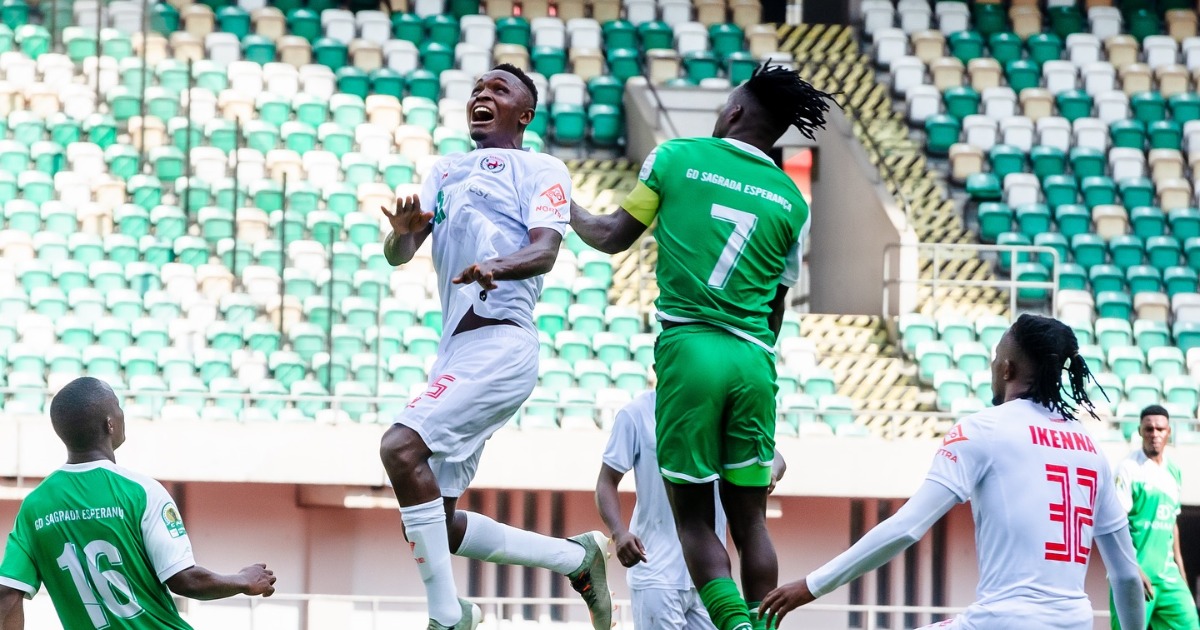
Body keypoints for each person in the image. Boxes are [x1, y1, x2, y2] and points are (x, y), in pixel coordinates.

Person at [570, 61, 833, 630]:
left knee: (694, 523)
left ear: (734, 110)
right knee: (752, 524)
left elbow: (613, 237)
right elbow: (777, 306)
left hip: (691, 351)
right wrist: (753, 357)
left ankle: (735, 626)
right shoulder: (792, 200)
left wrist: (564, 209)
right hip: (755, 361)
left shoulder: (675, 157)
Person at [377, 64, 610, 630]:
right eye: (478, 89)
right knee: (437, 524)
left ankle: (447, 617)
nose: (483, 94)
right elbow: (400, 252)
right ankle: (577, 558)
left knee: (400, 449)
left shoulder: (543, 168)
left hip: (503, 343)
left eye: (498, 90)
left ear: (524, 114)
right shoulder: (445, 169)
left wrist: (496, 266)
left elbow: (546, 250)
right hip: (455, 349)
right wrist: (402, 231)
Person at [759, 314, 1146, 630]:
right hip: (1075, 623)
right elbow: (1127, 575)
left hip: (1003, 622)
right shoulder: (1091, 448)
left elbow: (907, 527)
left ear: (1007, 368)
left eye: (996, 359)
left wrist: (809, 587)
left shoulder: (984, 428)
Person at [0, 377, 277, 630]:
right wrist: (243, 580)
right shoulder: (142, 491)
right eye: (118, 407)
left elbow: (7, 593)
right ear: (110, 423)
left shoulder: (34, 507)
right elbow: (185, 580)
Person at [595, 391, 788, 629]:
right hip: (656, 571)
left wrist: (771, 472)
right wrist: (619, 532)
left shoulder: (721, 410)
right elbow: (606, 482)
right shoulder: (636, 414)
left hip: (710, 576)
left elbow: (775, 457)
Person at [1110, 405, 1200, 630]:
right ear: (1140, 431)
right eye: (1148, 429)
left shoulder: (1174, 471)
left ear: (1169, 432)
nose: (1154, 434)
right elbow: (1116, 523)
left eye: (1160, 429)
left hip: (1168, 576)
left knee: (1190, 624)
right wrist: (1132, 569)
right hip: (1135, 573)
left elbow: (1172, 523)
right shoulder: (1128, 468)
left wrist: (1181, 571)